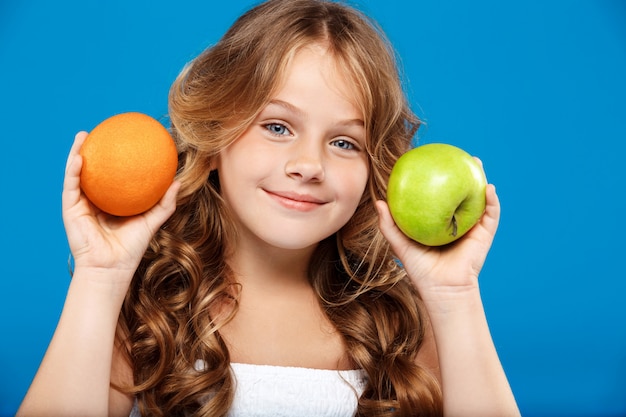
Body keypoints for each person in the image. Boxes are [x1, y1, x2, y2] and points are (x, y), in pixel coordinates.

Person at [17, 0, 520, 416]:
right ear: (215, 140)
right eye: (277, 127)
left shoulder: (399, 324)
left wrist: (455, 297)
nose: (309, 165)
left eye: (344, 142)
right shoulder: (150, 310)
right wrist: (100, 277)